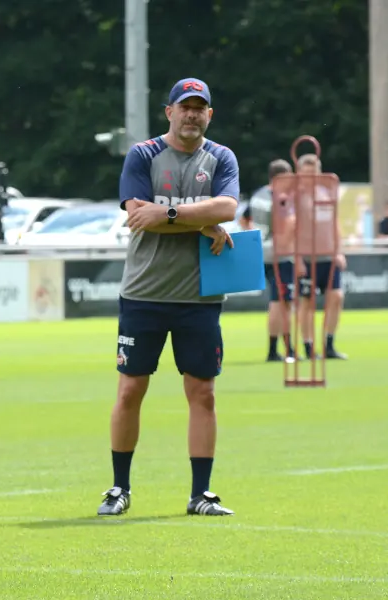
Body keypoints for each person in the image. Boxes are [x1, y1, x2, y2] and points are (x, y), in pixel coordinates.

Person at [101, 78, 240, 518]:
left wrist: (172, 211)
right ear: (169, 112)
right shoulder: (143, 155)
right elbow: (140, 216)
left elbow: (228, 209)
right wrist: (200, 221)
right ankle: (119, 487)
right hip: (143, 294)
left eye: (200, 108)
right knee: (130, 391)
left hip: (200, 298)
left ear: (209, 115)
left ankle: (201, 494)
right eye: (186, 107)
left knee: (203, 394)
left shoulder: (220, 157)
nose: (192, 114)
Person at [294, 154, 347, 360]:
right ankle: (308, 347)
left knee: (336, 297)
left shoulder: (326, 192)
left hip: (329, 255)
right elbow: (293, 230)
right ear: (299, 173)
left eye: (313, 173)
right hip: (307, 257)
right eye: (306, 173)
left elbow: (334, 223)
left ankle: (329, 344)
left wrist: (339, 251)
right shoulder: (296, 197)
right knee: (307, 303)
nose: (310, 177)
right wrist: (297, 258)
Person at [248, 159, 300, 362]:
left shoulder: (258, 195)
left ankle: (285, 349)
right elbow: (287, 227)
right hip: (280, 254)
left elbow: (245, 220)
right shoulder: (280, 199)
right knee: (280, 302)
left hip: (262, 252)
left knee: (279, 301)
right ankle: (282, 350)